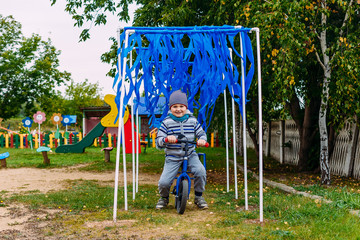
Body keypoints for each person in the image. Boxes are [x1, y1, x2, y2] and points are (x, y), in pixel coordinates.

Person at [155, 90, 208, 210]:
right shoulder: (166, 122)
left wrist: (202, 140)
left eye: (181, 106)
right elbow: (159, 140)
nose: (178, 109)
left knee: (200, 171)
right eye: (175, 106)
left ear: (186, 107)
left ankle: (199, 197)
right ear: (170, 108)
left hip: (190, 154)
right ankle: (164, 198)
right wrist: (166, 139)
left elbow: (201, 134)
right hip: (172, 156)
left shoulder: (192, 121)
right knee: (164, 182)